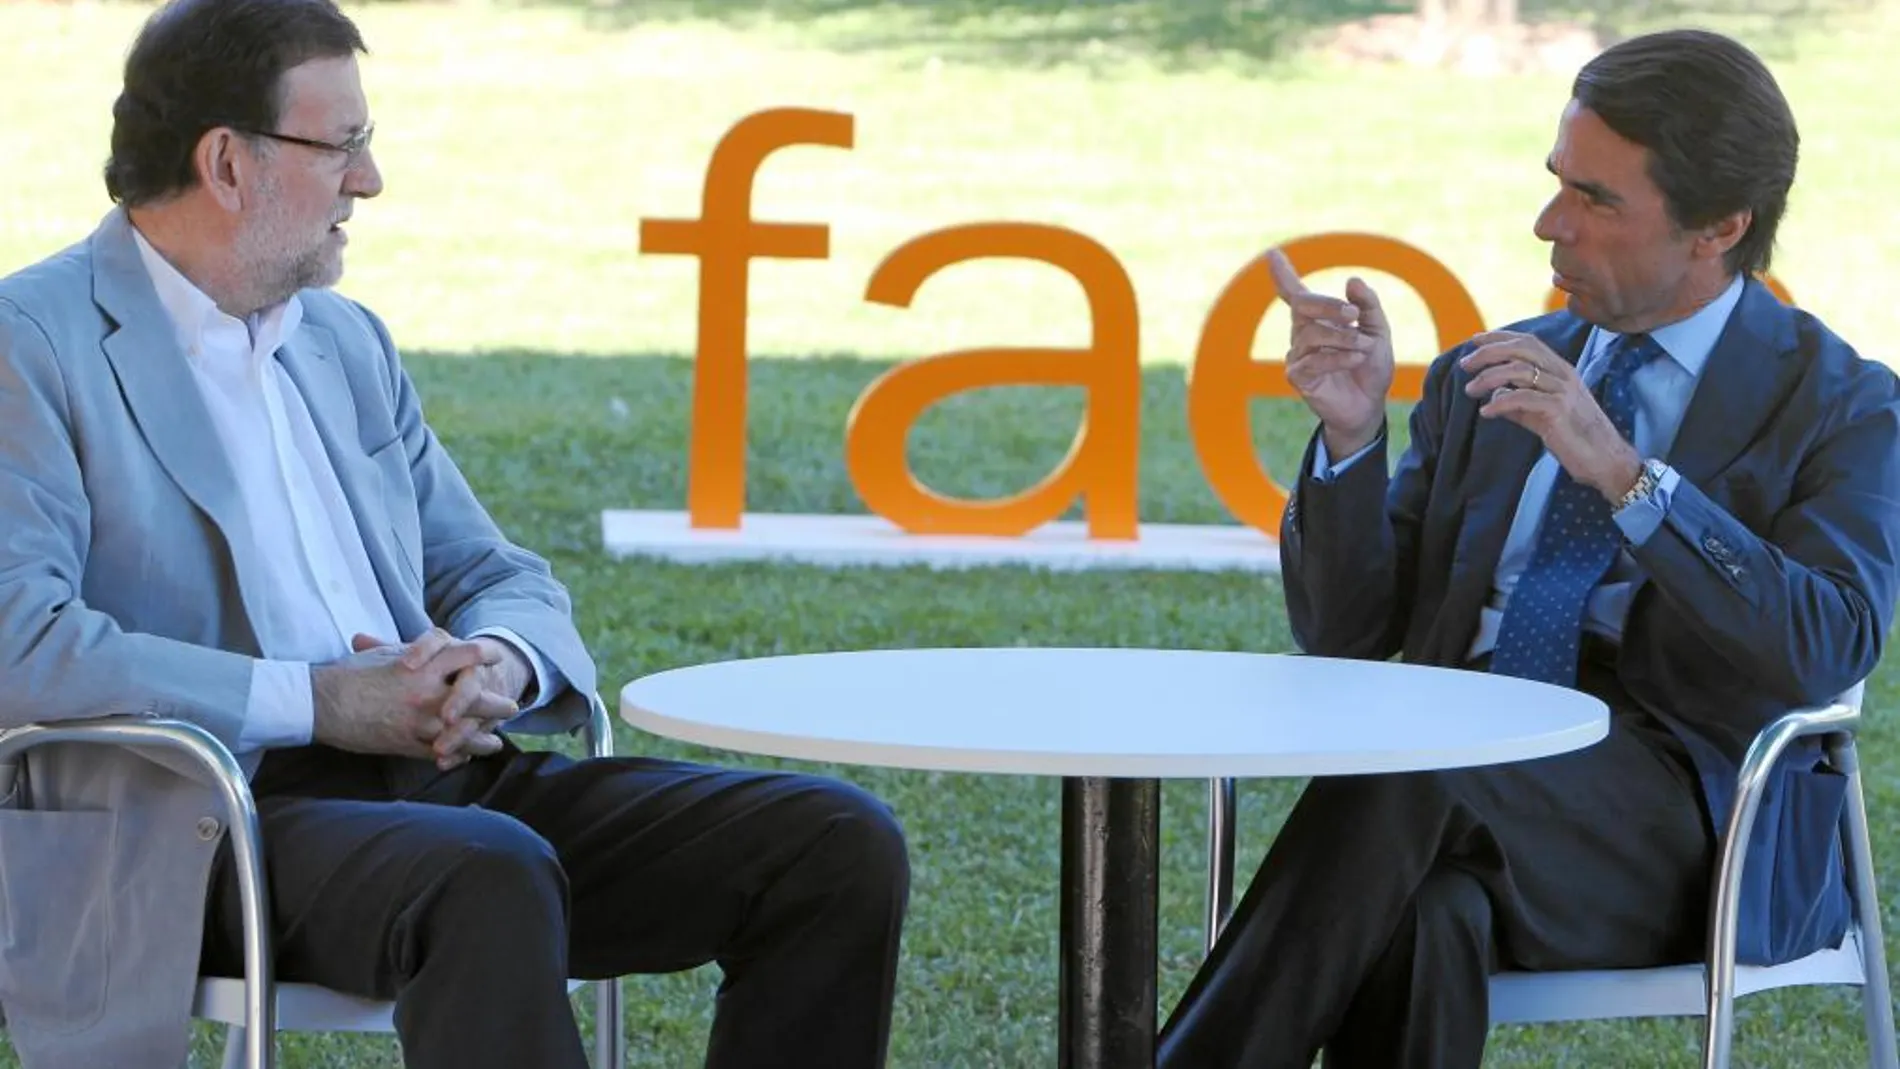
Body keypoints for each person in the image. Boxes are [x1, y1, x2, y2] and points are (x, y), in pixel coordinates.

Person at [0, 2, 909, 1067]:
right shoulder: (35, 345)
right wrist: (320, 700)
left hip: (436, 785)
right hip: (198, 820)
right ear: (227, 164)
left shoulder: (341, 339)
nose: (369, 179)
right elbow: (25, 646)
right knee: (487, 872)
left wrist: (496, 663)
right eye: (343, 144)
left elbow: (493, 570)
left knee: (834, 844)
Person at [1156, 27, 1900, 1069]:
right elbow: (1347, 635)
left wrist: (1627, 477)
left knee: (1419, 768)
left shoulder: (1839, 403)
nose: (1547, 223)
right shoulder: (1489, 373)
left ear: (1719, 227)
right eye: (1557, 182)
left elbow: (1828, 641)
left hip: (1688, 824)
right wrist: (1351, 437)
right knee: (1426, 919)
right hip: (1463, 808)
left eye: (1596, 201)